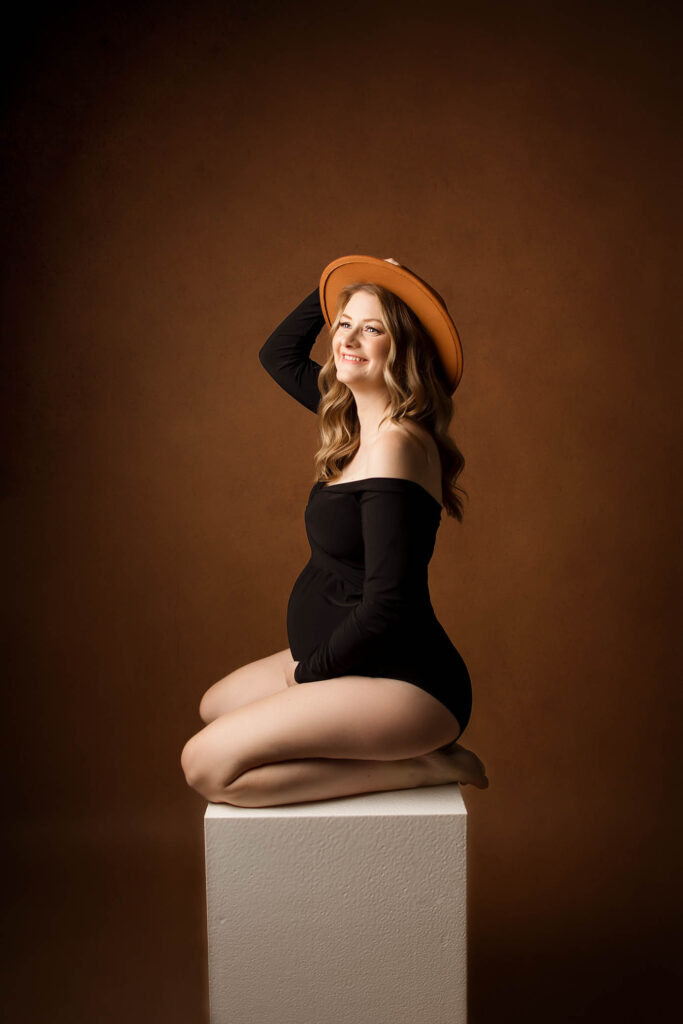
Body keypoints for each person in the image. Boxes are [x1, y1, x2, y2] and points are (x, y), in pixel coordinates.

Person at [181, 255, 489, 807]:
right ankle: (387, 748)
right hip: (346, 662)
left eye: (372, 329)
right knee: (215, 707)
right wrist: (339, 281)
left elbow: (388, 605)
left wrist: (309, 676)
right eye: (343, 323)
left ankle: (422, 769)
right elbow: (277, 355)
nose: (347, 338)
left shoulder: (397, 444)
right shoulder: (353, 423)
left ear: (404, 349)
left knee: (206, 767)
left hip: (405, 680)